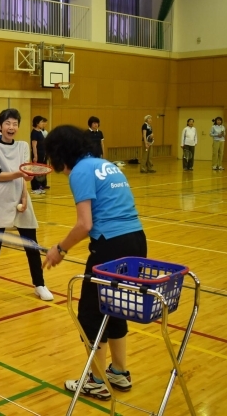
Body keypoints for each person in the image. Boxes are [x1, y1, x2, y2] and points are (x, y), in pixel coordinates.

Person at [43, 125, 146, 402]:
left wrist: (60, 249)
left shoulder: (80, 172)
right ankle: (119, 372)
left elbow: (85, 224)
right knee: (116, 307)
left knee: (91, 313)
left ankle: (97, 380)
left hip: (110, 245)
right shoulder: (105, 164)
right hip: (136, 241)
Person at [0, 109, 53, 303]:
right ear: (0, 126)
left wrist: (25, 196)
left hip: (21, 197)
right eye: (8, 123)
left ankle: (40, 285)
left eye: (15, 124)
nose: (11, 127)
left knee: (31, 245)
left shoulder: (22, 145)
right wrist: (21, 174)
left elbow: (25, 174)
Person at [30, 116, 48, 193]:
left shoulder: (40, 131)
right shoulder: (34, 133)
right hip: (37, 154)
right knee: (36, 171)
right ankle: (35, 187)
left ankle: (41, 185)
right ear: (37, 123)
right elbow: (34, 145)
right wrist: (35, 156)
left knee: (42, 170)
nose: (42, 123)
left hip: (43, 154)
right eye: (41, 122)